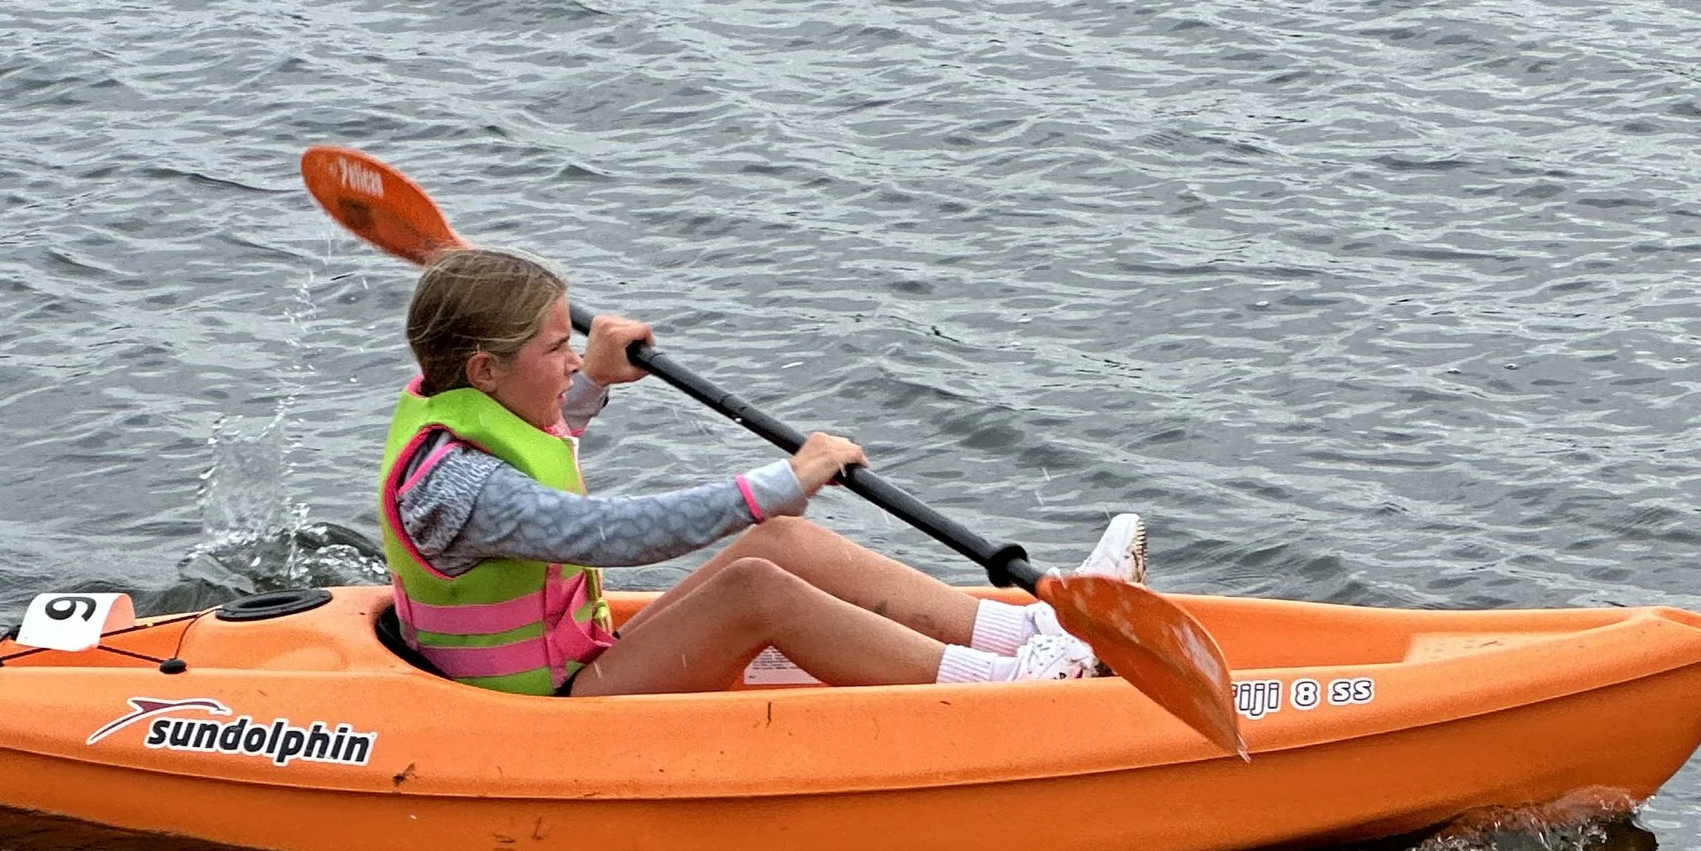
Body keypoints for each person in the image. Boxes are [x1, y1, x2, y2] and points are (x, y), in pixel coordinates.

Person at [376, 247, 1147, 698]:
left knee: (783, 542)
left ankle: (1032, 629)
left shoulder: (462, 405)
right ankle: (1003, 688)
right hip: (550, 707)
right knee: (756, 587)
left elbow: (543, 438)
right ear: (483, 368)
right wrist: (781, 480)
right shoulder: (462, 487)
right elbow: (603, 532)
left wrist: (594, 381)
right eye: (556, 348)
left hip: (579, 657)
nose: (572, 354)